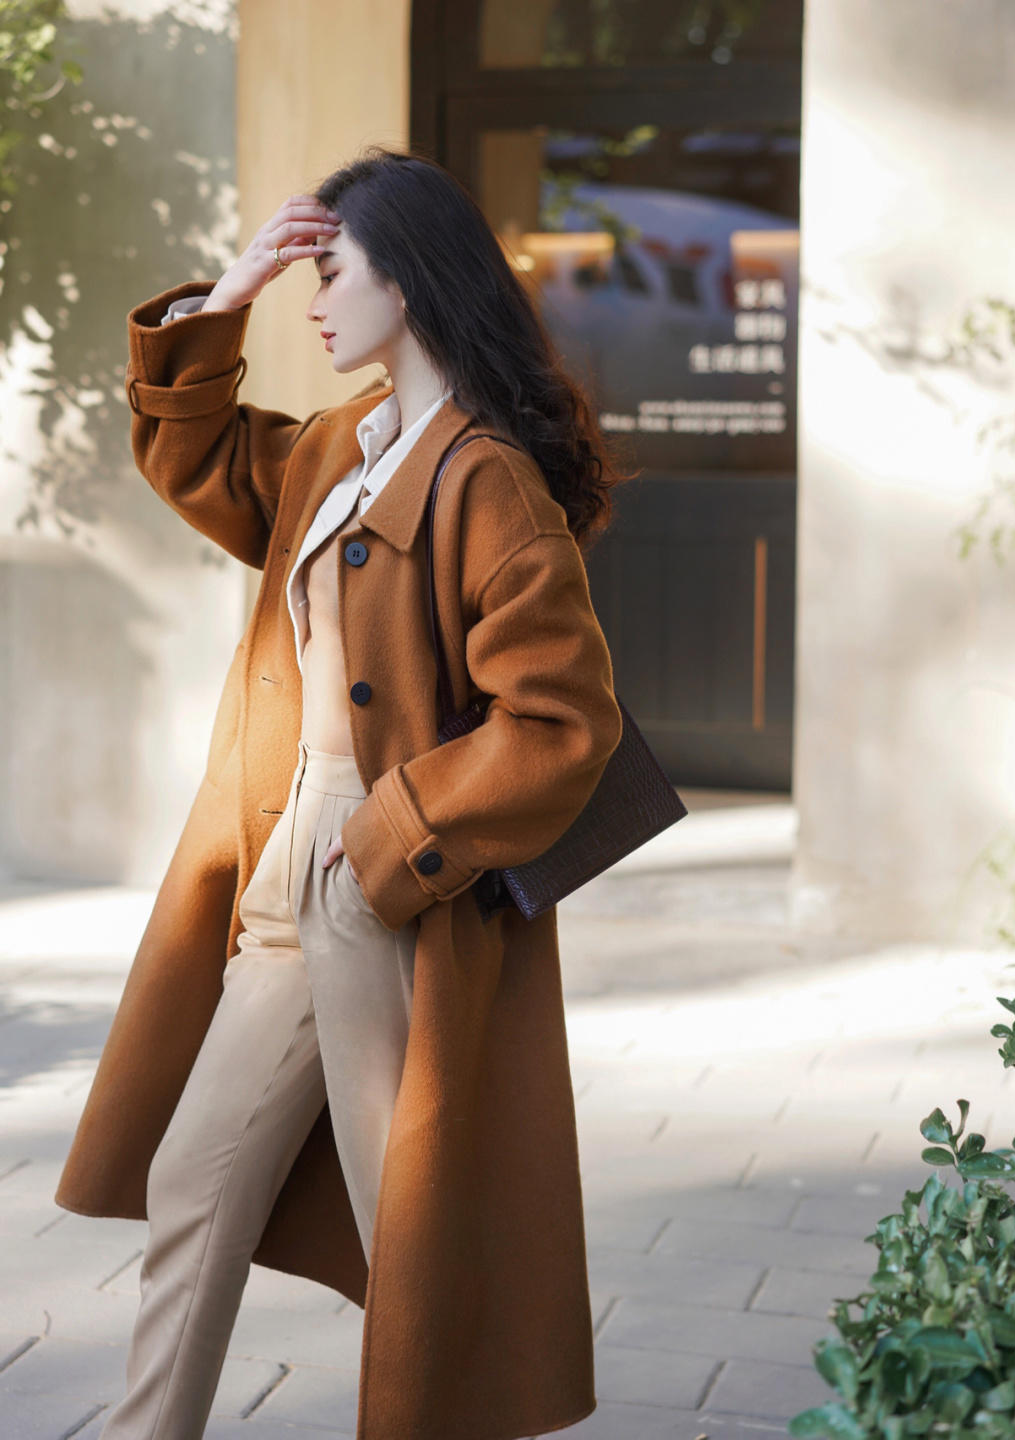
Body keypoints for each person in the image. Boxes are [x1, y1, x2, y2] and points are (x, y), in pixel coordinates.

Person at [55, 144, 630, 1440]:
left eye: (331, 272)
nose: (314, 299)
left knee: (409, 1236)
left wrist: (390, 839)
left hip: (386, 881)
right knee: (196, 1184)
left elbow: (563, 722)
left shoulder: (487, 480)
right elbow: (190, 455)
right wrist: (233, 293)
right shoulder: (335, 447)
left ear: (410, 282)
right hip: (283, 863)